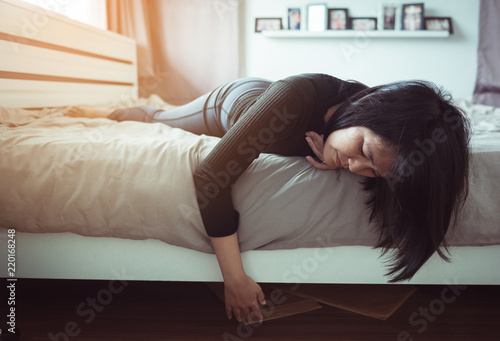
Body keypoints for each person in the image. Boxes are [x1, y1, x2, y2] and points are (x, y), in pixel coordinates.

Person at [64, 73, 471, 326]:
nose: (357, 168)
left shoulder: (374, 122)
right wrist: (234, 278)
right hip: (233, 101)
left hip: (276, 103)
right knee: (157, 118)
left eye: (372, 171)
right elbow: (209, 176)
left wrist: (340, 153)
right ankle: (123, 111)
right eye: (363, 151)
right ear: (365, 111)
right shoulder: (297, 99)